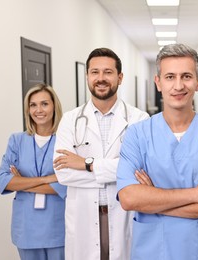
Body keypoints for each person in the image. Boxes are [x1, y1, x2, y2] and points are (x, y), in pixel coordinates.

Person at [116, 43, 198, 260]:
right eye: (170, 77)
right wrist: (197, 194)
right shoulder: (137, 135)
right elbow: (128, 198)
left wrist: (154, 199)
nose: (178, 85)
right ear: (158, 82)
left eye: (186, 76)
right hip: (152, 251)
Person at [53, 47, 149, 260]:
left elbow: (140, 170)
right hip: (84, 216)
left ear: (120, 77)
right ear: (87, 76)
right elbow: (63, 173)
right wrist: (118, 171)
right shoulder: (70, 120)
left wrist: (85, 163)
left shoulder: (139, 119)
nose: (101, 78)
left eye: (108, 72)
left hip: (123, 212)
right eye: (95, 72)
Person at [0, 83, 66, 260]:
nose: (38, 110)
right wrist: (49, 179)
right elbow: (4, 179)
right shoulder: (17, 141)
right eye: (33, 105)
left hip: (57, 227)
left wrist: (22, 182)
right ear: (27, 109)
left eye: (44, 103)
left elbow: (67, 183)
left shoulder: (65, 141)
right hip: (26, 228)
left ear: (54, 106)